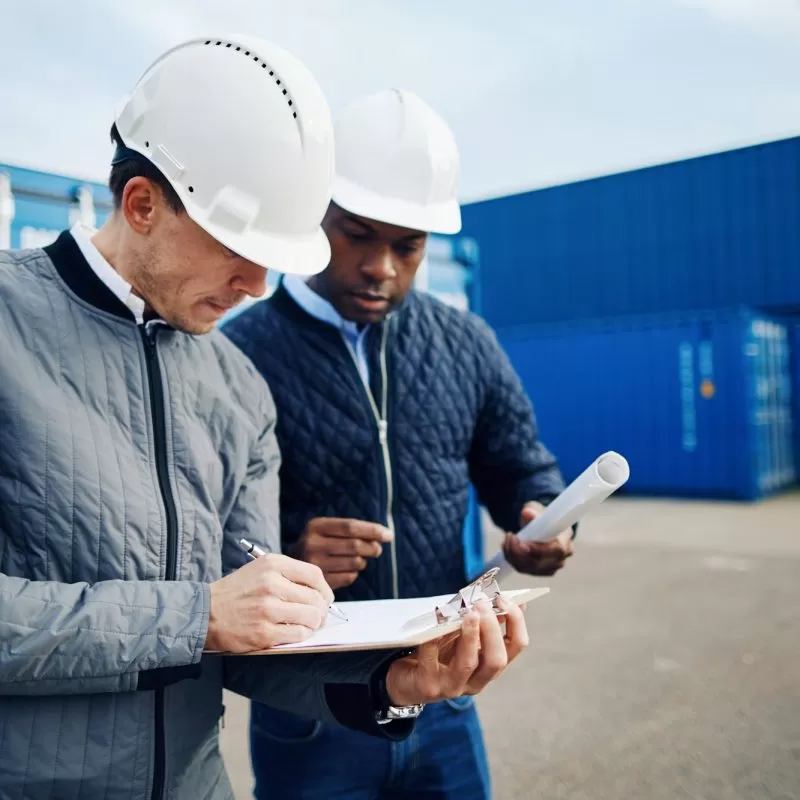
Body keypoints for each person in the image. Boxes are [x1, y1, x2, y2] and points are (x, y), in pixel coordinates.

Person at [0, 42, 530, 800]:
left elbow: (249, 637)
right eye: (237, 251)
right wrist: (193, 615)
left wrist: (394, 681)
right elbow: (212, 618)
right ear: (143, 204)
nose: (256, 286)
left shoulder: (237, 386)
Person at [223, 88, 575, 800]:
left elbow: (521, 470)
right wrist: (288, 551)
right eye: (358, 234)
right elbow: (203, 531)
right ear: (313, 213)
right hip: (310, 707)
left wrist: (541, 519)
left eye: (407, 246)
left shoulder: (466, 343)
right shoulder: (238, 354)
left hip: (445, 694)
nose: (382, 266)